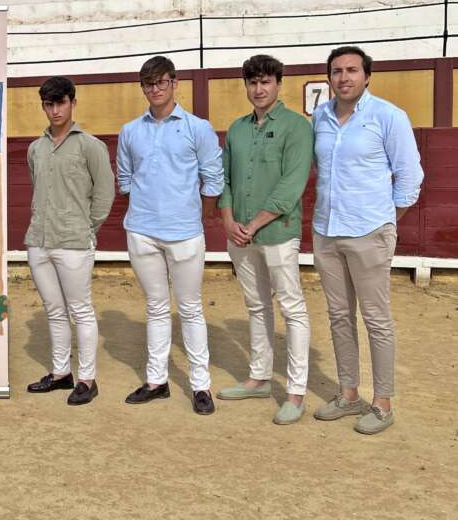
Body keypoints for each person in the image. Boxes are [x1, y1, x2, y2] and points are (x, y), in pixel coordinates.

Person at [311, 46, 423, 435]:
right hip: (326, 232)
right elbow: (320, 169)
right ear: (329, 78)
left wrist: (384, 222)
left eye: (352, 70)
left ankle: (383, 403)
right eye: (337, 71)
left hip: (369, 231)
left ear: (367, 76)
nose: (344, 77)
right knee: (339, 316)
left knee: (376, 319)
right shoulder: (320, 117)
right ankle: (349, 395)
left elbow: (409, 177)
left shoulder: (389, 116)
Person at [117, 56, 224, 415]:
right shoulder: (130, 131)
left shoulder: (198, 128)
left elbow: (213, 177)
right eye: (149, 84)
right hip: (142, 231)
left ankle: (200, 385)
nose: (155, 89)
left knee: (191, 308)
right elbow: (125, 179)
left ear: (175, 83)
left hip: (185, 232)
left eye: (161, 82)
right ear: (143, 88)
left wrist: (198, 215)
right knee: (156, 306)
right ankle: (156, 380)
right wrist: (147, 211)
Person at [217, 55, 313, 424]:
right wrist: (228, 220)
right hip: (240, 234)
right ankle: (259, 377)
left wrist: (253, 223)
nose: (259, 89)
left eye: (265, 82)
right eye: (253, 82)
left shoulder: (297, 126)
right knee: (256, 305)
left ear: (278, 84)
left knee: (292, 307)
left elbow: (292, 184)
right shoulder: (237, 129)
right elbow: (224, 179)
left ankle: (296, 392)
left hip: (276, 232)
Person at [23, 76, 115, 406]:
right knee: (54, 310)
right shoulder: (36, 148)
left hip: (74, 241)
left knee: (81, 310)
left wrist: (86, 228)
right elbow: (37, 188)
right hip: (39, 239)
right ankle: (61, 372)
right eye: (49, 104)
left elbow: (105, 194)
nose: (55, 110)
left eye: (61, 103)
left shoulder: (91, 146)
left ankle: (87, 379)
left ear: (73, 103)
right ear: (43, 107)